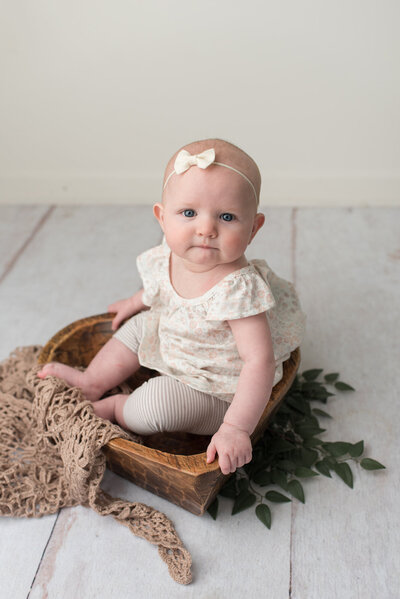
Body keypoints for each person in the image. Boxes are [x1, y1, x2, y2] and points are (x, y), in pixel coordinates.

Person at [37, 138, 306, 475]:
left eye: (226, 216)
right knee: (137, 325)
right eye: (189, 213)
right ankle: (91, 381)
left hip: (216, 386)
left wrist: (236, 428)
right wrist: (135, 301)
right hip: (176, 343)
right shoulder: (170, 252)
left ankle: (119, 407)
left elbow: (259, 361)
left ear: (253, 228)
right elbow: (159, 289)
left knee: (160, 403)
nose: (206, 229)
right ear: (163, 218)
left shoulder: (238, 288)